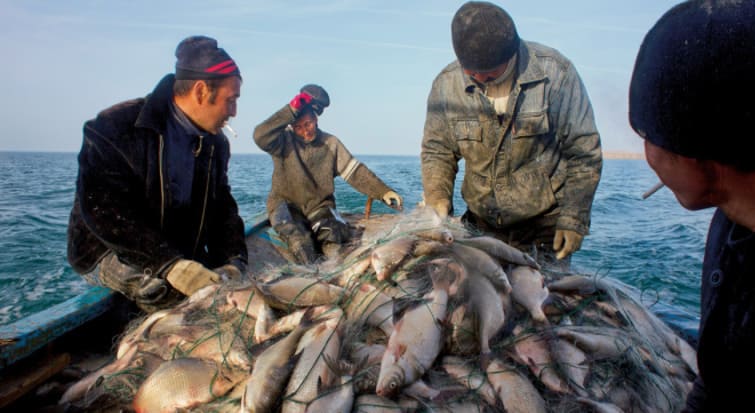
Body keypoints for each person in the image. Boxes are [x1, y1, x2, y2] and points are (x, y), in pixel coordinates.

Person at [629, 0, 755, 410]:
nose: (647, 153)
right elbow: (720, 382)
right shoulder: (737, 212)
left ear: (700, 160)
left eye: (647, 136)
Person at [67, 36, 248, 312]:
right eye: (231, 100)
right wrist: (168, 264)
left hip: (177, 248)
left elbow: (222, 207)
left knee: (225, 288)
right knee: (160, 290)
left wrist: (233, 261)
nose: (234, 112)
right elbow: (102, 210)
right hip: (107, 248)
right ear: (201, 91)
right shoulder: (114, 127)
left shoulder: (216, 144)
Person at [420, 1, 602, 270]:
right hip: (481, 225)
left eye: (490, 73)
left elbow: (584, 151)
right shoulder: (446, 85)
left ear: (512, 54)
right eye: (471, 72)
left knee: (543, 292)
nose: (479, 77)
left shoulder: (557, 74)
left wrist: (574, 219)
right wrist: (437, 196)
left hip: (543, 227)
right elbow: (438, 150)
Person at [253, 85, 403, 264]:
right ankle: (313, 276)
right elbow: (260, 136)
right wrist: (291, 109)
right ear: (291, 127)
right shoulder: (282, 140)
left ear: (316, 119)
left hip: (319, 206)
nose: (305, 130)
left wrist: (383, 191)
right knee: (299, 242)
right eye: (298, 127)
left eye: (308, 124)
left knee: (333, 240)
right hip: (285, 205)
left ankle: (334, 271)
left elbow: (355, 172)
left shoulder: (331, 143)